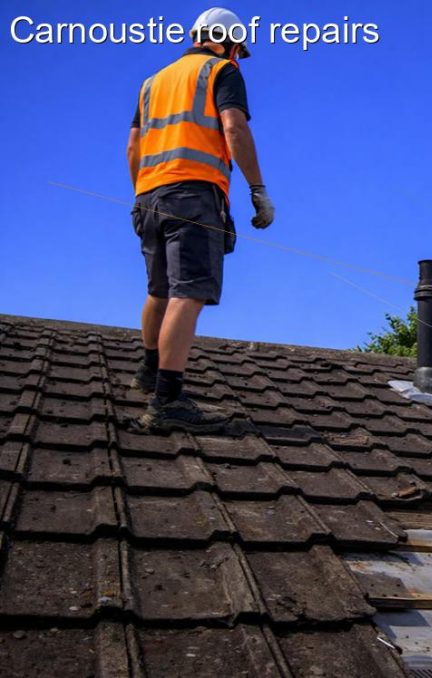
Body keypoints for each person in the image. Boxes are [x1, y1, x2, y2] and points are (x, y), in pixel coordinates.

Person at [126, 7, 275, 433]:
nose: (238, 58)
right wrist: (258, 189)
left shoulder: (152, 82)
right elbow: (234, 129)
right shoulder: (221, 71)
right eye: (238, 51)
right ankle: (167, 401)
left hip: (150, 194)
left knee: (158, 290)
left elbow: (133, 146)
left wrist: (141, 192)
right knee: (186, 293)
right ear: (226, 41)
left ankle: (149, 372)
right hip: (194, 195)